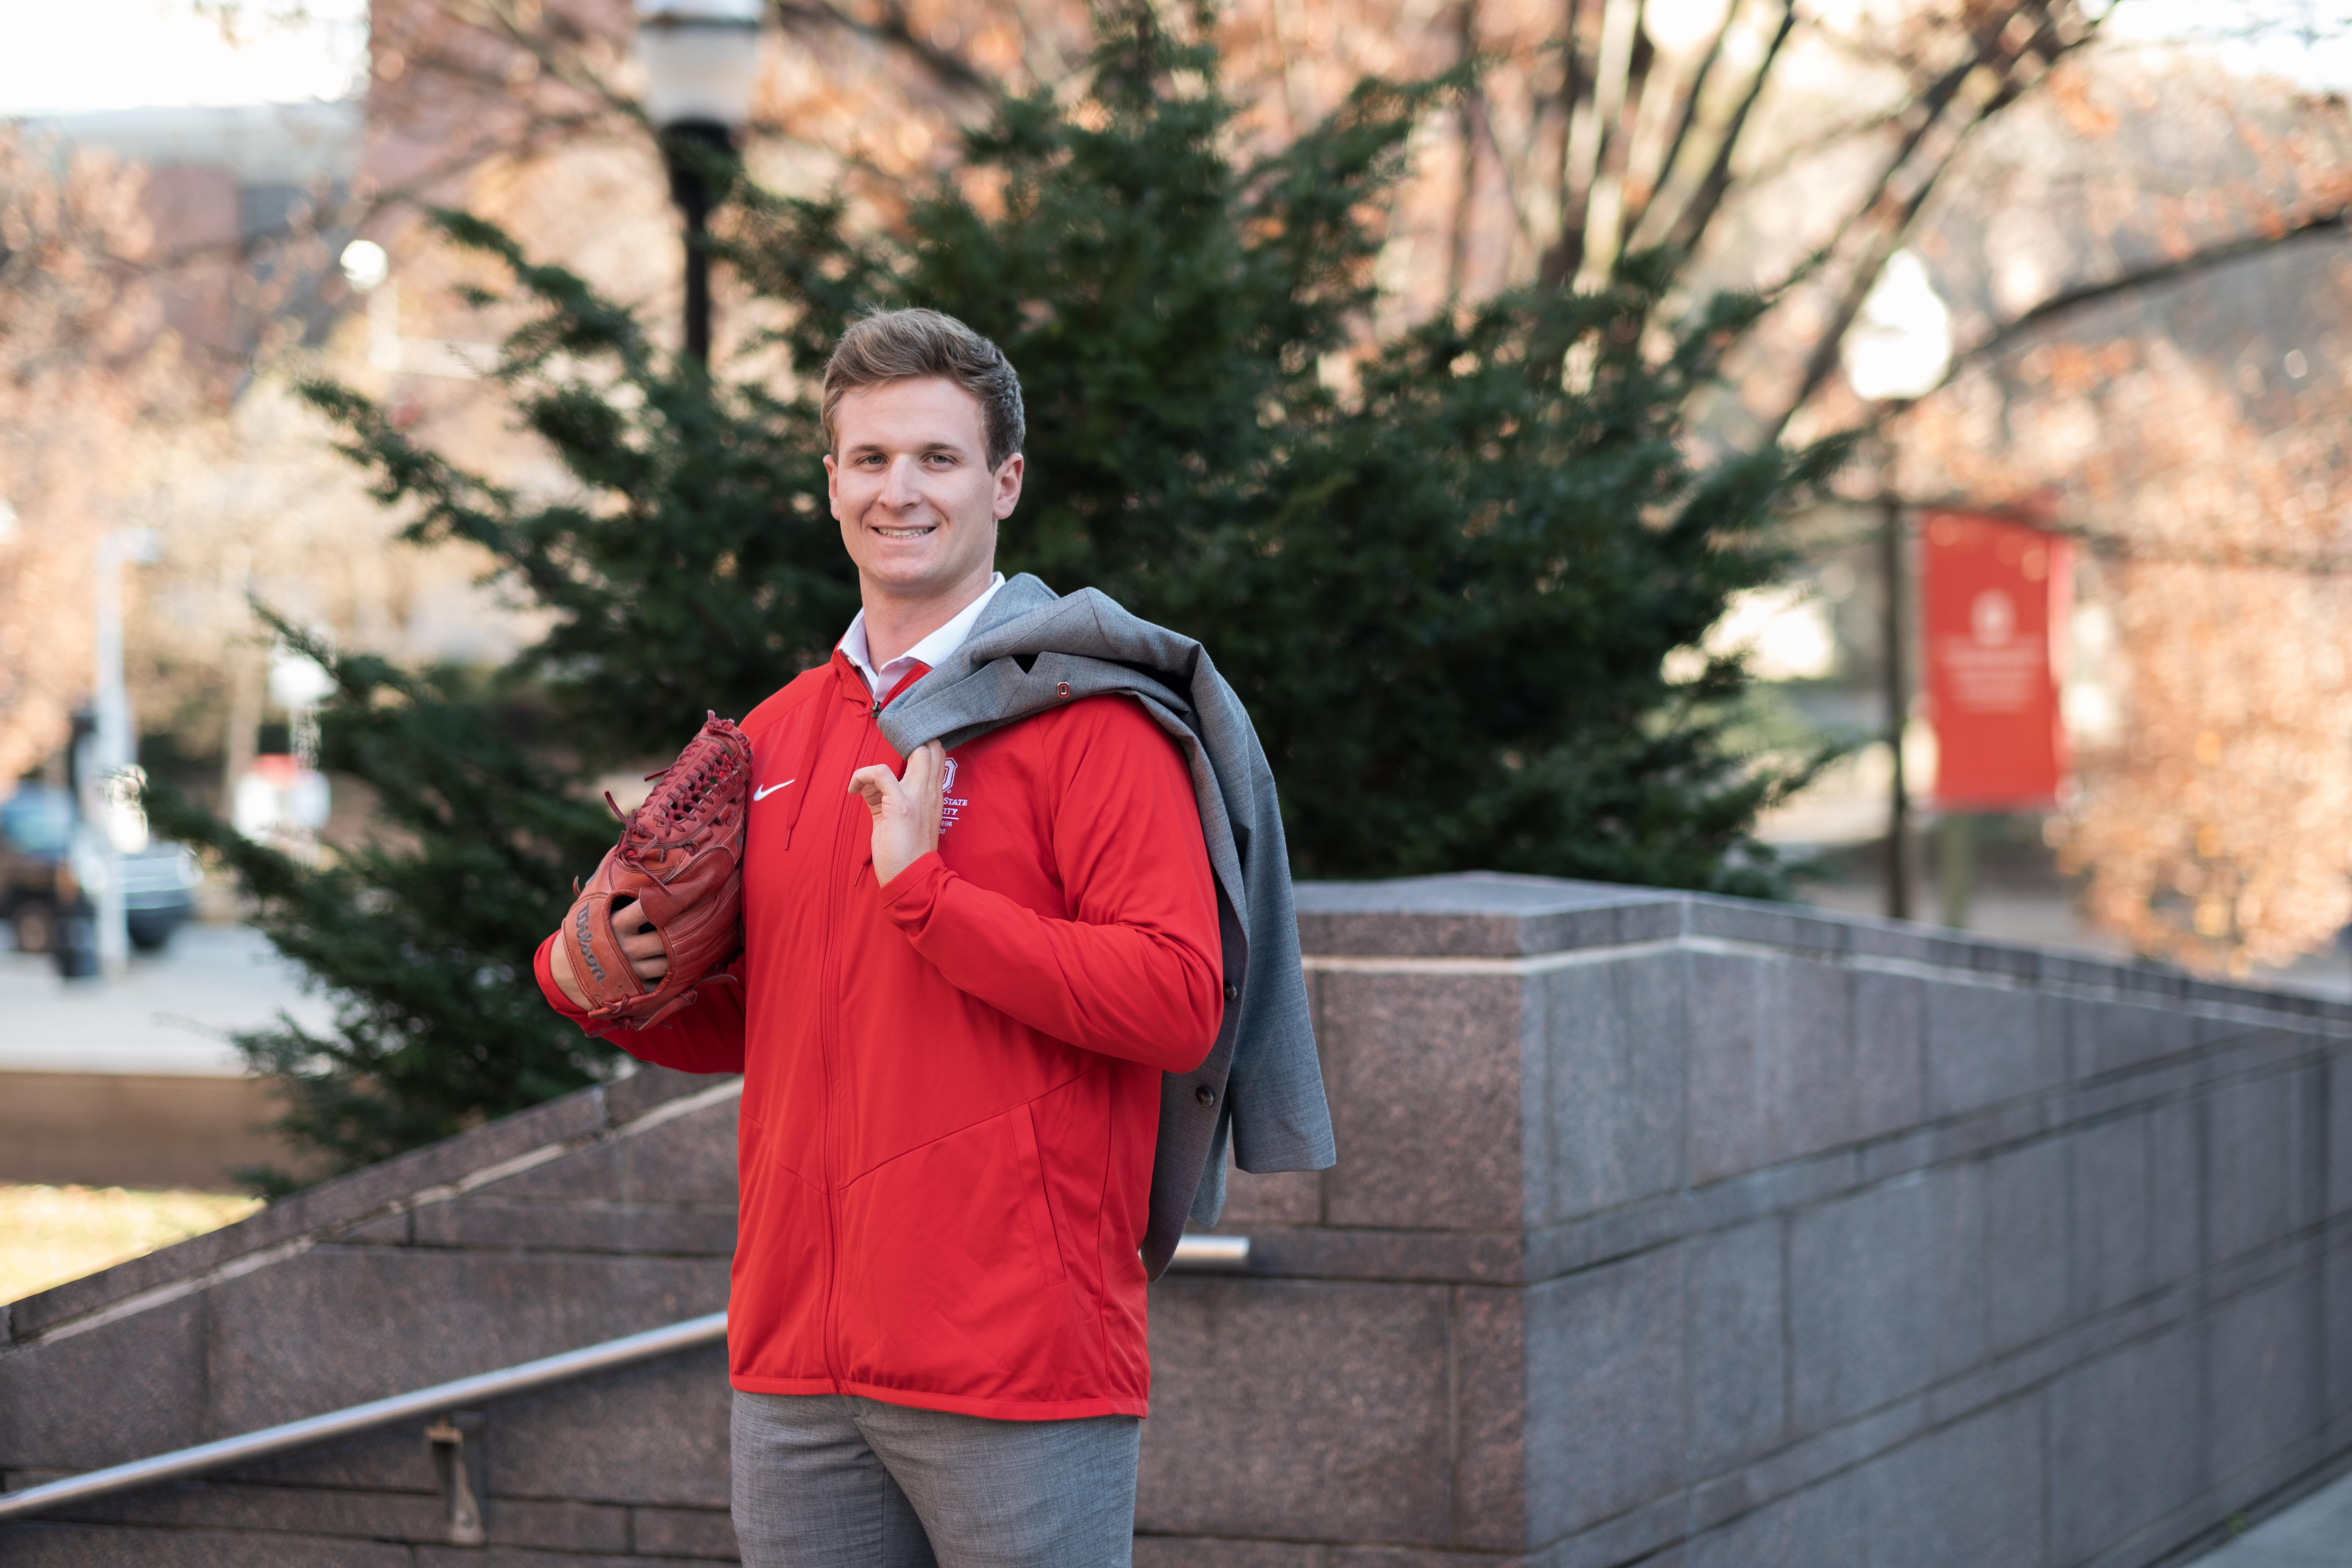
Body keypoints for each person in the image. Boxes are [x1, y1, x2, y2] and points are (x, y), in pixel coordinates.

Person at [536, 308, 1330, 1568]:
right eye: (870, 458)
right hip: (797, 1362)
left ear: (1004, 483)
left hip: (1016, 1360)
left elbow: (1178, 999)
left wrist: (930, 897)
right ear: (830, 483)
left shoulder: (1090, 723)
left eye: (937, 459)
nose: (898, 491)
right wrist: (610, 984)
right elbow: (774, 1017)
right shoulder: (777, 736)